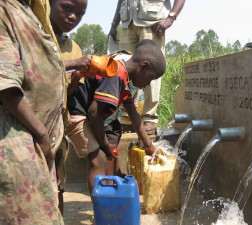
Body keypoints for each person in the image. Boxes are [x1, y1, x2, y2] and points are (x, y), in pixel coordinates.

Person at [66, 39, 166, 194]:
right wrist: (105, 146)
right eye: (150, 79)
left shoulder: (124, 79)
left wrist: (149, 146)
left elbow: (134, 115)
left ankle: (109, 195)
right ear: (144, 66)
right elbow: (94, 113)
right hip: (74, 112)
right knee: (98, 159)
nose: (147, 84)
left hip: (83, 113)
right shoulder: (116, 75)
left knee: (108, 149)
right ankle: (103, 213)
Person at [0, 0, 64, 224]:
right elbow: (6, 87)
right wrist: (41, 133)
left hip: (35, 140)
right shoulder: (4, 10)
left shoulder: (28, 11)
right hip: (16, 141)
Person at [109, 0, 186, 135]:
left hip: (152, 22)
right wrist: (114, 23)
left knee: (151, 70)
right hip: (127, 21)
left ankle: (149, 117)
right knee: (125, 69)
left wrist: (171, 17)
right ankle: (127, 118)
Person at [49, 0, 91, 215]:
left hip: (57, 127)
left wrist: (75, 80)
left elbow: (71, 94)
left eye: (80, 14)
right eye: (66, 8)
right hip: (32, 127)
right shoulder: (36, 35)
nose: (73, 17)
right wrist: (73, 64)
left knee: (58, 185)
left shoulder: (73, 47)